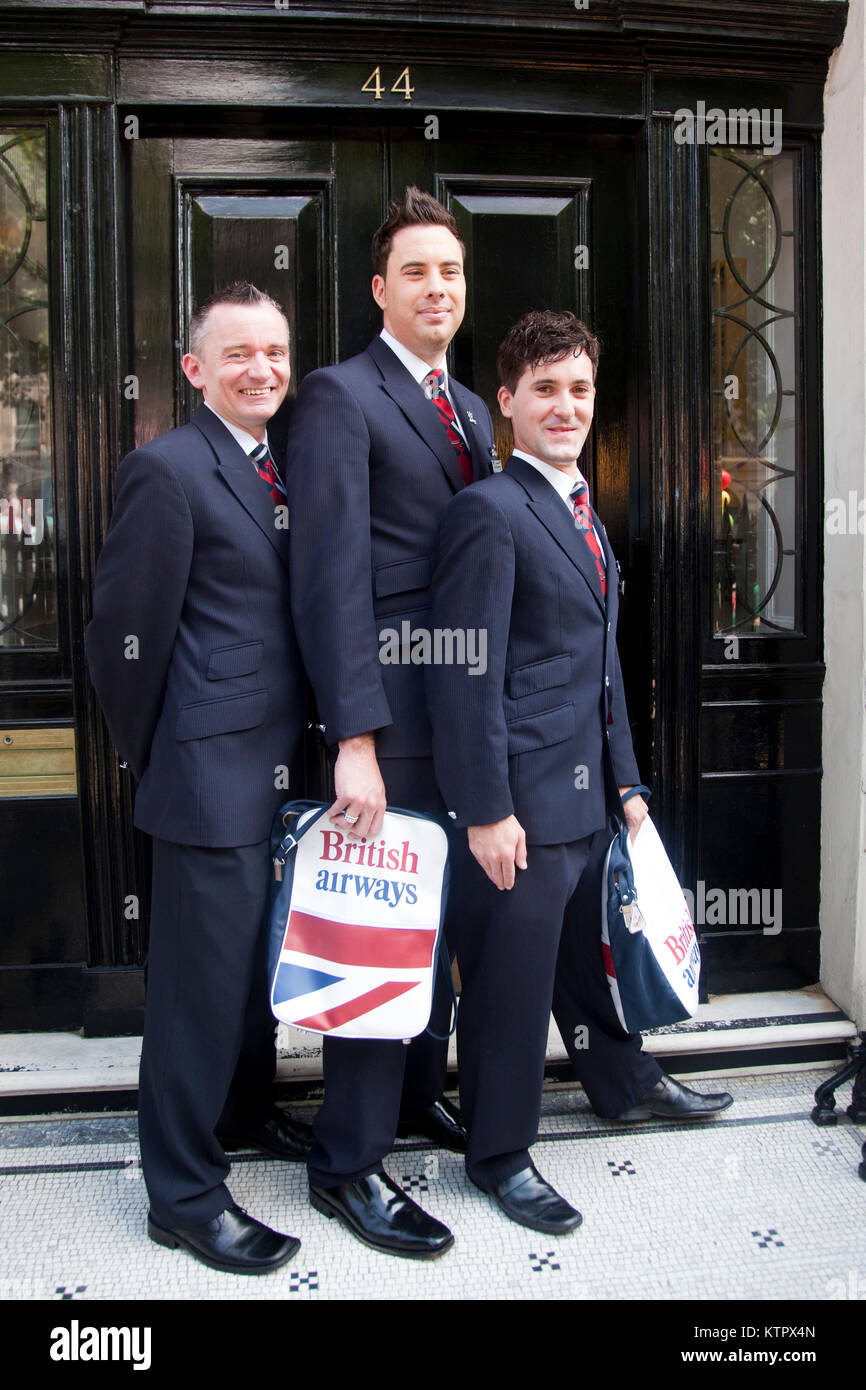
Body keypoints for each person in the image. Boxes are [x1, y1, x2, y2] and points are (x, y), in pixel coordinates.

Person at [425, 310, 732, 1234]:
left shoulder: (583, 508)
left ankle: (623, 1080)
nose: (566, 406)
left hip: (589, 796)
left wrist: (628, 784)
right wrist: (484, 809)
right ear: (507, 400)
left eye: (581, 389)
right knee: (511, 992)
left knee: (583, 968)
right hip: (517, 802)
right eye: (545, 389)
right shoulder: (489, 510)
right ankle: (499, 1153)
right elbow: (462, 669)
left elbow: (600, 664)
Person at [284, 187, 496, 1259]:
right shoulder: (338, 396)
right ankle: (347, 1164)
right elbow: (329, 581)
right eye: (415, 271)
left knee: (438, 937)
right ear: (380, 288)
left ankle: (418, 1100)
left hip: (459, 719)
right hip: (388, 726)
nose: (436, 288)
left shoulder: (471, 410)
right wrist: (352, 741)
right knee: (378, 942)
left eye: (450, 272)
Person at [85, 282, 311, 1275]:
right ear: (193, 370)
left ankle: (243, 1118)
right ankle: (181, 1192)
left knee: (249, 977)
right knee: (195, 994)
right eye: (236, 354)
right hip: (205, 775)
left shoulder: (283, 467)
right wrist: (166, 751)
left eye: (273, 351)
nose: (259, 368)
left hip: (277, 770)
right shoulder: (166, 469)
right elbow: (119, 639)